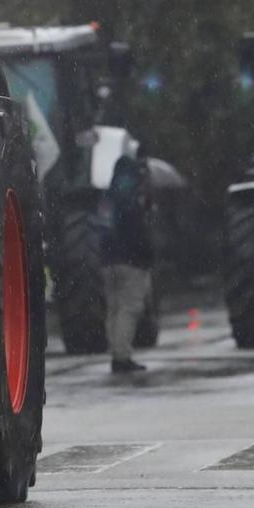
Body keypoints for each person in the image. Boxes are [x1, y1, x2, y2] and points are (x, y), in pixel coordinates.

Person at [100, 153, 153, 375]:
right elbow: (138, 232)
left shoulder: (107, 198)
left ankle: (116, 352)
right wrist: (147, 256)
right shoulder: (131, 198)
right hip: (130, 261)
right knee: (129, 308)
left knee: (113, 309)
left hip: (107, 261)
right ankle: (122, 357)